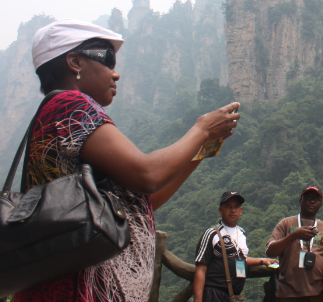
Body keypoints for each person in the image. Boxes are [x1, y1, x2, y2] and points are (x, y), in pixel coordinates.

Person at [16, 19, 239, 302]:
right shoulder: (71, 106)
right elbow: (146, 174)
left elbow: (143, 201)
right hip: (75, 292)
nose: (115, 73)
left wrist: (200, 151)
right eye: (107, 59)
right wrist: (201, 128)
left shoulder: (60, 114)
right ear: (74, 62)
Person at [194, 191, 277, 302]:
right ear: (220, 210)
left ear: (241, 211)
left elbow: (240, 259)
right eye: (228, 207)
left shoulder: (241, 233)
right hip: (214, 294)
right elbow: (201, 269)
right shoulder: (212, 234)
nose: (233, 210)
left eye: (236, 207)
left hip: (234, 296)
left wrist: (263, 261)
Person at [265, 185, 323, 302]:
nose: (312, 201)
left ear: (320, 204)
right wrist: (294, 235)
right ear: (300, 200)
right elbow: (270, 251)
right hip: (288, 293)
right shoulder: (286, 223)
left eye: (316, 199)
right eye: (308, 198)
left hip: (319, 293)